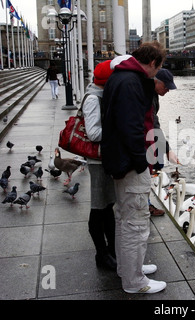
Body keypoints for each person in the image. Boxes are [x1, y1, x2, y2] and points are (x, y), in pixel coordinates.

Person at [101, 41, 167, 294]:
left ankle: (129, 269)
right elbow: (131, 128)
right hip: (130, 164)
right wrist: (142, 162)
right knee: (136, 223)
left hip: (121, 161)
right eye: (158, 68)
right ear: (152, 63)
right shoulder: (130, 82)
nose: (156, 74)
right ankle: (135, 282)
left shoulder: (122, 78)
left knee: (124, 218)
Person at [81, 60, 117, 271]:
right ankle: (101, 254)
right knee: (98, 208)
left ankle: (111, 250)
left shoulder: (100, 95)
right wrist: (119, 132)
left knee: (107, 206)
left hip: (104, 159)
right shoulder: (94, 99)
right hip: (97, 161)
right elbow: (93, 133)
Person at [148, 68, 179, 216]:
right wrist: (167, 149)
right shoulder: (147, 96)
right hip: (144, 139)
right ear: (156, 81)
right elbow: (153, 124)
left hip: (148, 137)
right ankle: (145, 205)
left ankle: (145, 203)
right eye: (166, 87)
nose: (167, 91)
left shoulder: (153, 94)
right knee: (148, 168)